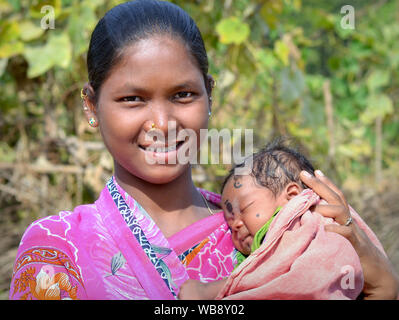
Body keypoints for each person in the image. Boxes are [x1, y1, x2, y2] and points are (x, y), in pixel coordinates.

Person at [9, 0, 398, 300]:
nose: (162, 123)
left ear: (209, 95)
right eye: (132, 99)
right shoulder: (57, 248)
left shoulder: (272, 229)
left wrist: (379, 284)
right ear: (92, 106)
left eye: (183, 95)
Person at [178, 140, 384, 299]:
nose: (236, 225)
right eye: (230, 223)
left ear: (293, 196)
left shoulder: (301, 224)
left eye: (246, 208)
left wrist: (208, 291)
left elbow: (270, 271)